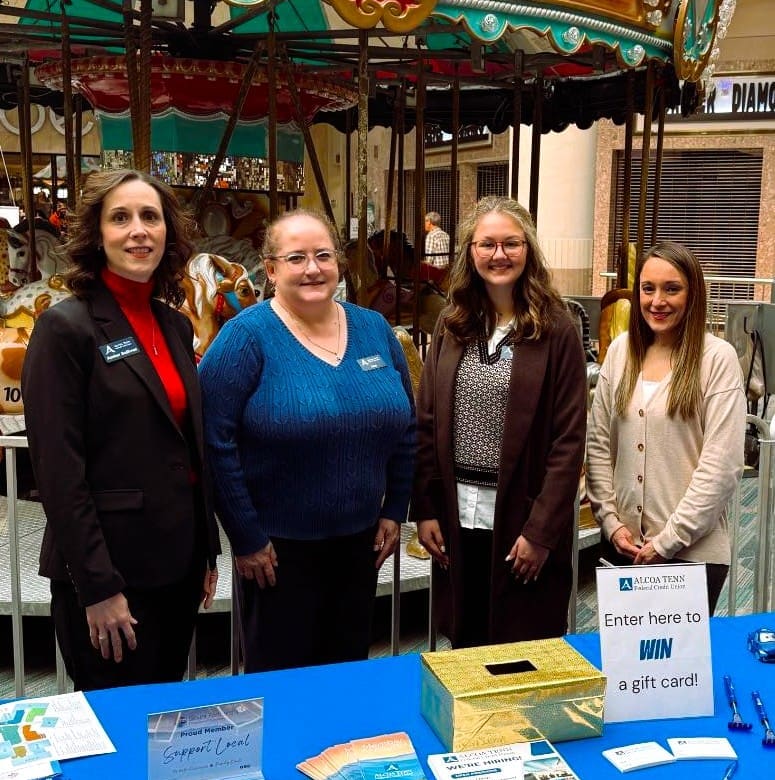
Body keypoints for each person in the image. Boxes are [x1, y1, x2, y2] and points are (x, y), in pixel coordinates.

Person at [21, 169, 220, 691]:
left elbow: (189, 446)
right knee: (116, 735)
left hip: (176, 569)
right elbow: (59, 472)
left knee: (160, 723)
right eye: (121, 218)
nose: (139, 231)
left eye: (150, 217)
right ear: (96, 234)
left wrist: (206, 551)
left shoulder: (174, 325)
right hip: (112, 575)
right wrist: (98, 586)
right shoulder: (66, 329)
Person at [199, 208, 416, 673]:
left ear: (339, 263)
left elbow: (405, 426)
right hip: (276, 554)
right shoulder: (245, 339)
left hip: (360, 548)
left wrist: (395, 508)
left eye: (323, 255)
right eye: (296, 257)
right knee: (282, 686)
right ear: (271, 268)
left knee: (346, 674)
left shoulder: (375, 330)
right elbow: (214, 442)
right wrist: (246, 536)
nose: (312, 268)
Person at [411, 195, 587, 648]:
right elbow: (428, 422)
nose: (499, 255)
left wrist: (542, 532)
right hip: (457, 519)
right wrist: (427, 508)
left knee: (521, 651)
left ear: (528, 249)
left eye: (511, 243)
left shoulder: (557, 329)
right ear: (470, 251)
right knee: (465, 646)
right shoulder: (452, 325)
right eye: (487, 244)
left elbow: (568, 441)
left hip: (522, 522)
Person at [586, 240, 746, 614]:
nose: (657, 301)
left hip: (691, 556)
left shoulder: (716, 359)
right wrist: (610, 521)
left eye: (671, 289)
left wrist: (668, 541)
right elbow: (597, 446)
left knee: (676, 673)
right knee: (624, 671)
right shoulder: (621, 352)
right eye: (648, 288)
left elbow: (721, 467)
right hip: (623, 550)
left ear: (693, 294)